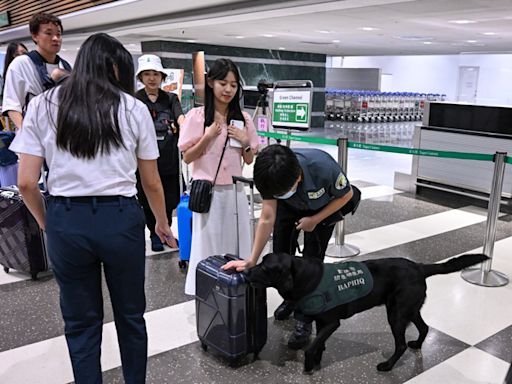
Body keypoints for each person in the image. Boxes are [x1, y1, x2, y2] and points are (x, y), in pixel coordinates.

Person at [9, 33, 177, 384]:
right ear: (117, 68)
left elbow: (26, 182)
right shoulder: (133, 108)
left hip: (66, 221)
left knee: (81, 323)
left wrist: (47, 222)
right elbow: (152, 182)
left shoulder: (43, 105)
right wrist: (161, 222)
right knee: (131, 316)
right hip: (120, 219)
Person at [224, 144, 356, 349]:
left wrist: (315, 219)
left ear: (299, 178)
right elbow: (267, 217)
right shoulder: (270, 176)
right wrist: (252, 259)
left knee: (311, 266)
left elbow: (345, 195)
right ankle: (291, 300)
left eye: (284, 191)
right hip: (287, 210)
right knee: (280, 257)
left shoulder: (323, 167)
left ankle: (304, 320)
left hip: (322, 210)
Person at [178, 58, 258, 296]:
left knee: (237, 239)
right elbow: (187, 157)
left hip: (234, 192)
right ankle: (207, 290)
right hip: (208, 193)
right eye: (223, 83)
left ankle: (235, 288)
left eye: (234, 85)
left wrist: (245, 142)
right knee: (207, 242)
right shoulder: (197, 116)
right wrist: (208, 136)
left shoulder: (243, 119)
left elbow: (250, 159)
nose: (228, 90)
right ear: (211, 83)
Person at [135, 54, 185, 252]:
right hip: (145, 162)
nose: (152, 78)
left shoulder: (171, 98)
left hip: (169, 159)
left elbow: (180, 117)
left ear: (162, 76)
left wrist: (185, 125)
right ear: (141, 78)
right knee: (148, 198)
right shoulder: (135, 100)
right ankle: (154, 234)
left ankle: (166, 230)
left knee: (170, 198)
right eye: (147, 74)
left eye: (155, 74)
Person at [2, 12, 70, 130]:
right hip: (36, 135)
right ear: (35, 36)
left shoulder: (65, 66)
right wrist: (27, 135)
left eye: (58, 34)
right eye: (48, 33)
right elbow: (12, 106)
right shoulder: (21, 64)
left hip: (64, 135)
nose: (55, 38)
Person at [0, 42, 28, 187]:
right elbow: (11, 107)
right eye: (18, 54)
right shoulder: (9, 78)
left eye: (24, 53)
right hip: (23, 129)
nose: (22, 57)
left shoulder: (34, 72)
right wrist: (25, 131)